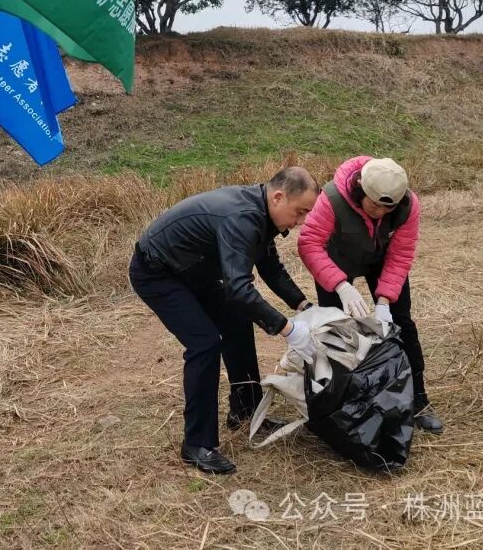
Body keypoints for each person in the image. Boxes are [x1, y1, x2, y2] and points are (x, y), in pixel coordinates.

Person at [129, 166, 321, 474]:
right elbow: (239, 287)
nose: (300, 222)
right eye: (299, 212)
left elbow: (269, 267)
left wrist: (304, 306)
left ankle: (245, 410)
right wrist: (288, 329)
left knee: (236, 321)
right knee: (205, 344)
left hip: (194, 269)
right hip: (158, 272)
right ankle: (197, 445)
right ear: (278, 196)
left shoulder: (262, 214)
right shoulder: (242, 217)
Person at [297, 156, 443, 434]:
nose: (379, 212)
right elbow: (309, 243)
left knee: (402, 325)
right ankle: (335, 402)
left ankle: (418, 401)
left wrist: (385, 300)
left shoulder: (407, 206)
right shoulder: (332, 198)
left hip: (382, 259)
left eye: (387, 207)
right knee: (335, 329)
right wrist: (340, 285)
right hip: (336, 260)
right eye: (374, 204)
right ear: (360, 189)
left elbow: (401, 254)